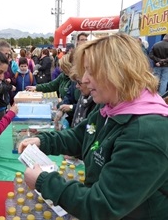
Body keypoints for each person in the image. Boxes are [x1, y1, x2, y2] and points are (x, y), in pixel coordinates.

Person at [18, 33, 168, 220]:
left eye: (91, 71)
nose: (84, 80)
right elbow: (81, 136)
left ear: (117, 72)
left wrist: (44, 182)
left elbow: (101, 206)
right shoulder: (111, 106)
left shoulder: (146, 133)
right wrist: (44, 141)